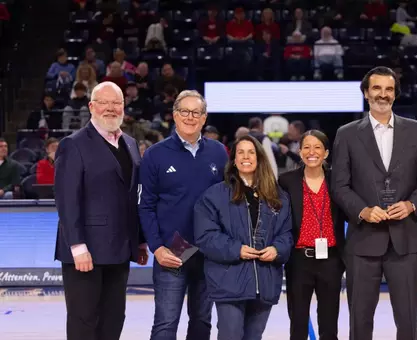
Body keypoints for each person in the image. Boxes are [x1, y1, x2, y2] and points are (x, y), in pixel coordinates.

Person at [331, 66, 417, 340]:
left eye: (389, 89)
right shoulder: (346, 134)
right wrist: (362, 210)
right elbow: (339, 186)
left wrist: (412, 205)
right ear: (366, 94)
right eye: (377, 88)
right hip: (363, 241)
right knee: (360, 321)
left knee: (408, 321)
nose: (383, 94)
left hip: (406, 241)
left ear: (395, 94)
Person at [54, 82, 148, 340]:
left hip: (121, 249)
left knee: (114, 318)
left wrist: (139, 241)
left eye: (116, 102)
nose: (110, 108)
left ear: (123, 107)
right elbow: (66, 200)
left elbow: (132, 197)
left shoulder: (129, 143)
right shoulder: (73, 145)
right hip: (86, 251)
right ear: (91, 106)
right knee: (84, 320)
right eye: (104, 103)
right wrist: (77, 246)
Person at [138, 90, 228, 340]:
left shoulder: (219, 153)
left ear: (204, 117)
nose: (191, 117)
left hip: (209, 250)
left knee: (202, 321)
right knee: (166, 323)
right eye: (185, 112)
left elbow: (229, 201)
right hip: (174, 249)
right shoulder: (156, 154)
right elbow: (145, 206)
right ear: (175, 115)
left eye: (196, 112)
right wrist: (157, 247)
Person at [194, 135, 293, 340]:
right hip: (229, 281)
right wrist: (236, 249)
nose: (246, 157)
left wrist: (277, 249)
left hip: (265, 281)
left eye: (251, 152)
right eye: (241, 152)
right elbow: (206, 236)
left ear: (259, 158)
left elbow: (286, 233)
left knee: (254, 337)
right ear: (233, 159)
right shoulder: (214, 196)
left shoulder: (276, 196)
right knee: (230, 335)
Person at [278, 130, 346, 340]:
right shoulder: (286, 181)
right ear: (300, 152)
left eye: (317, 147)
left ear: (326, 153)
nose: (311, 152)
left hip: (331, 260)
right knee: (297, 322)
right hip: (299, 260)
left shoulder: (337, 181)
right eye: (306, 147)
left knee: (329, 322)